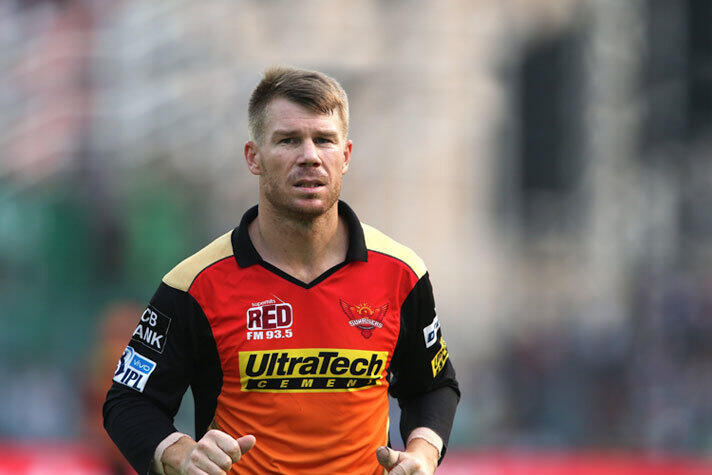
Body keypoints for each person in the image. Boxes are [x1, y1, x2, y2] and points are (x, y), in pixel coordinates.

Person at [103, 66, 460, 475]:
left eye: (324, 140)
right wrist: (181, 453)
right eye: (288, 140)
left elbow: (433, 386)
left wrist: (422, 455)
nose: (309, 156)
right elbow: (129, 401)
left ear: (345, 156)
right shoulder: (194, 284)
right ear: (253, 157)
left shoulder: (401, 273)